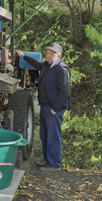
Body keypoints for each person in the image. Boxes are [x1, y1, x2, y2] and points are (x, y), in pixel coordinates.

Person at [16, 43, 71, 172]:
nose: (49, 55)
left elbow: (64, 92)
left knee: (53, 136)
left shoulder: (61, 69)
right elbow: (36, 63)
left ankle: (54, 164)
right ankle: (47, 160)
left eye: (52, 54)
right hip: (45, 106)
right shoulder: (46, 65)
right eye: (47, 53)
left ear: (59, 56)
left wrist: (55, 108)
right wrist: (23, 56)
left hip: (53, 109)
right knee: (44, 135)